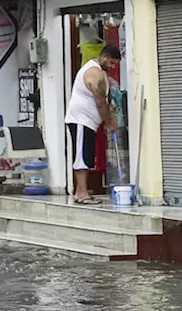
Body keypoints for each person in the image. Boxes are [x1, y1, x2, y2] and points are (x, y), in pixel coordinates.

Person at [64, 43, 120, 204]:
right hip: (82, 121)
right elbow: (100, 102)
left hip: (88, 122)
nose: (112, 66)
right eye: (111, 63)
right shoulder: (95, 73)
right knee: (82, 157)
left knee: (87, 155)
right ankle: (81, 193)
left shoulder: (98, 70)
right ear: (103, 57)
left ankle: (81, 192)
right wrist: (109, 123)